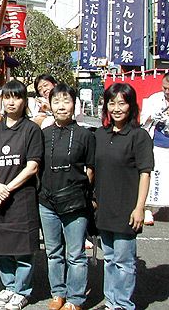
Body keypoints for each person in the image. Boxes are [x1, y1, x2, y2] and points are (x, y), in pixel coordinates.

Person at [94, 83, 153, 310]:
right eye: (112, 102)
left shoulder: (139, 136)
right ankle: (111, 301)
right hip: (105, 207)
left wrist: (140, 207)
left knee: (125, 262)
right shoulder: (100, 134)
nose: (116, 108)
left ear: (131, 105)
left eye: (122, 103)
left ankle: (123, 304)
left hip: (127, 209)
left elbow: (145, 174)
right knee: (109, 258)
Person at [0, 80, 43, 310]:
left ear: (24, 101)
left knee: (23, 249)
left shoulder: (31, 130)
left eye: (17, 97)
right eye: (7, 97)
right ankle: (8, 286)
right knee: (0, 247)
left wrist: (7, 188)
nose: (11, 102)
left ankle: (22, 290)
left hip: (21, 199)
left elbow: (32, 167)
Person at [38, 83, 95, 310]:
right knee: (53, 252)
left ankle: (76, 298)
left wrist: (81, 192)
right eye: (56, 101)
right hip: (47, 202)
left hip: (75, 203)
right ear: (50, 105)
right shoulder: (43, 134)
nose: (61, 106)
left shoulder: (85, 135)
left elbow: (90, 170)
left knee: (76, 254)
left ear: (74, 104)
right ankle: (58, 293)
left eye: (66, 101)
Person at [140, 71, 169, 225]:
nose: (166, 91)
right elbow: (143, 119)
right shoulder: (155, 99)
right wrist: (153, 116)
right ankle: (148, 209)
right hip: (157, 144)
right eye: (164, 88)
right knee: (154, 176)